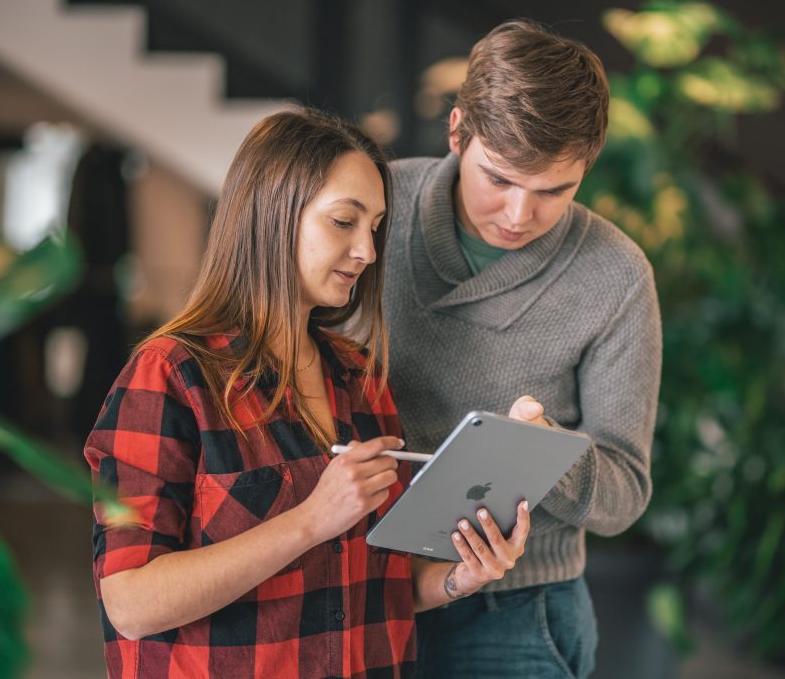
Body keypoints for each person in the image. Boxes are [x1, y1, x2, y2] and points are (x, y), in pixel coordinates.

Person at [84, 108, 530, 679]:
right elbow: (131, 605)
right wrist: (309, 520)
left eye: (374, 226)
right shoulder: (172, 374)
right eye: (344, 222)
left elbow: (374, 583)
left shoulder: (359, 377)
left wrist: (460, 576)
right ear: (271, 215)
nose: (368, 251)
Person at [383, 20, 662, 678]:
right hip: (353, 583)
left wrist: (541, 453)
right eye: (499, 179)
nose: (517, 214)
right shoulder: (377, 205)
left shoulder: (616, 277)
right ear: (457, 132)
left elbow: (625, 493)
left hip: (517, 611)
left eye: (553, 192)